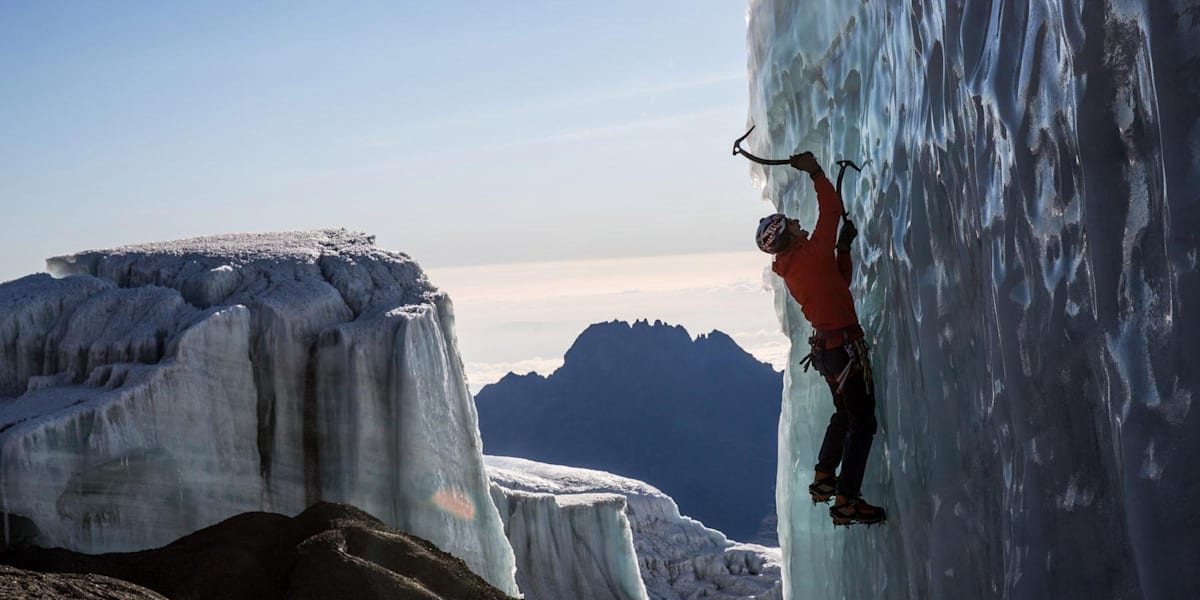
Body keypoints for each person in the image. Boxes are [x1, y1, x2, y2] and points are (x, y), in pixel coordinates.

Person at [754, 151, 885, 526]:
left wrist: (843, 249)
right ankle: (846, 499)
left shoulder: (798, 266)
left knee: (845, 415)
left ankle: (825, 477)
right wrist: (815, 173)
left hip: (831, 351)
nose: (797, 221)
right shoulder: (809, 255)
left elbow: (836, 284)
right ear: (786, 236)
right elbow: (830, 211)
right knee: (863, 423)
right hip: (842, 350)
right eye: (790, 223)